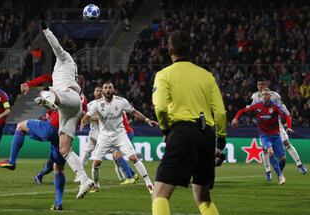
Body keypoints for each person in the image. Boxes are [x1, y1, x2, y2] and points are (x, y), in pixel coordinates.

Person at [152, 30, 227, 215]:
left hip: (182, 132)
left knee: (160, 193)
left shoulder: (164, 75)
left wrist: (165, 129)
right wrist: (221, 140)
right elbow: (221, 112)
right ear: (191, 49)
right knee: (203, 196)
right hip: (207, 134)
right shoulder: (206, 75)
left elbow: (160, 108)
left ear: (169, 50)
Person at [32, 13, 94, 199]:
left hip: (69, 98)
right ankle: (84, 180)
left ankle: (49, 100)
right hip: (72, 109)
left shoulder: (65, 58)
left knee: (48, 92)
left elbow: (55, 46)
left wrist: (45, 29)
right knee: (64, 149)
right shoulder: (67, 67)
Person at [80, 82, 158, 194]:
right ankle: (96, 185)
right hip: (104, 137)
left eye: (110, 88)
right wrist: (83, 122)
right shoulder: (96, 104)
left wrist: (147, 120)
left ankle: (149, 183)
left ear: (114, 90)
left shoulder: (121, 102)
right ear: (103, 91)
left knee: (134, 158)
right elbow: (87, 116)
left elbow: (134, 112)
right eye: (105, 88)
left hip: (120, 135)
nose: (107, 90)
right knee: (96, 163)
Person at [232, 88, 293, 185]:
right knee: (270, 151)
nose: (264, 96)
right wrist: (235, 118)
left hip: (276, 135)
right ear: (261, 96)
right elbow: (242, 111)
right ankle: (281, 176)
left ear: (270, 96)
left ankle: (279, 173)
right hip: (264, 135)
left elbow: (286, 116)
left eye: (266, 94)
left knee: (283, 159)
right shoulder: (257, 106)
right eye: (263, 95)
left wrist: (289, 127)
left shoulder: (275, 106)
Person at [81, 86, 138, 187]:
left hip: (124, 133)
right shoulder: (113, 105)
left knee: (116, 155)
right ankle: (133, 174)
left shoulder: (114, 106)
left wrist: (87, 117)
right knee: (115, 156)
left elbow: (102, 118)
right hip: (122, 132)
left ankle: (129, 177)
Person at [251, 78, 307, 179]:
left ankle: (300, 165)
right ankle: (268, 171)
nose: (260, 86)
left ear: (266, 85)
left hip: (276, 125)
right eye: (258, 84)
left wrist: (288, 117)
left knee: (287, 143)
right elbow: (253, 108)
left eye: (262, 84)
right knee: (264, 149)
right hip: (263, 127)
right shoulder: (255, 96)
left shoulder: (274, 95)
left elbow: (282, 107)